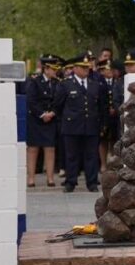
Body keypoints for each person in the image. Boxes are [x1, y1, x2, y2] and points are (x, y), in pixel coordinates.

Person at [54, 54, 103, 193]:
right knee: (71, 155)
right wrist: (66, 119)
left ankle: (92, 182)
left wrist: (101, 124)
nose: (86, 70)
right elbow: (58, 106)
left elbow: (100, 106)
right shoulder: (65, 85)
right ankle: (71, 182)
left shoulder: (95, 85)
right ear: (74, 68)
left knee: (91, 155)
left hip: (91, 125)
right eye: (82, 67)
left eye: (87, 67)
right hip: (72, 126)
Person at [25, 55, 61, 188]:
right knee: (33, 149)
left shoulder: (57, 83)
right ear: (46, 69)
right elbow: (31, 101)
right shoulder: (35, 81)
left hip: (50, 119)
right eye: (53, 69)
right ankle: (30, 178)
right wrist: (42, 114)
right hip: (36, 119)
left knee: (50, 148)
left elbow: (59, 100)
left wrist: (52, 113)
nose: (55, 71)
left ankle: (50, 178)